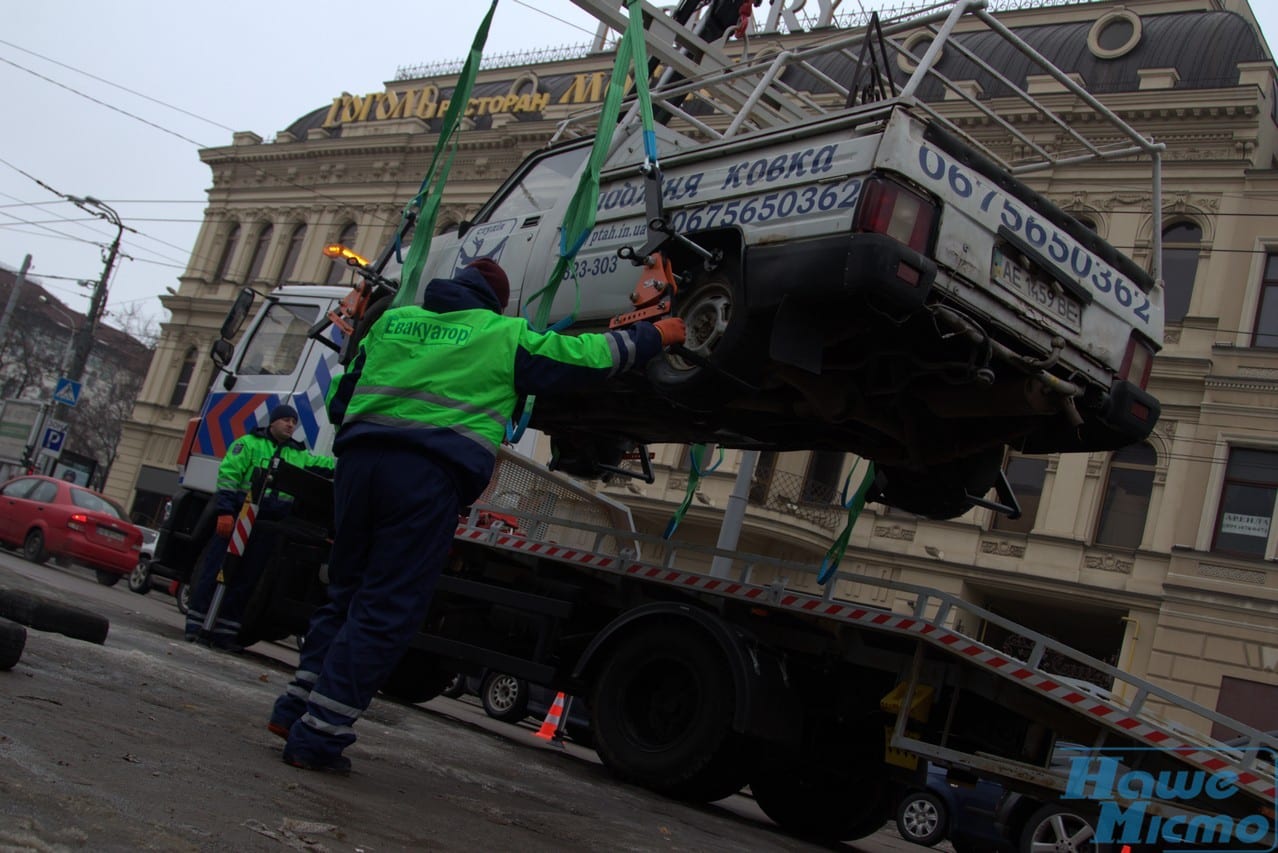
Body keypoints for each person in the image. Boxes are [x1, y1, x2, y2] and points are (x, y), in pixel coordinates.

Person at [268, 258, 685, 774]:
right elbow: (585, 356)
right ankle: (318, 737)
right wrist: (655, 335)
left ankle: (293, 710)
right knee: (385, 609)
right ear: (495, 300)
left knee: (346, 594)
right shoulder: (501, 333)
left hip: (357, 468)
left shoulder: (394, 323)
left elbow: (339, 403)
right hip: (425, 478)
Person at [184, 403, 335, 650]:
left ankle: (224, 634)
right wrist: (224, 512)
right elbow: (229, 476)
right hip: (239, 516)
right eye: (286, 420)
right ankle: (196, 626)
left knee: (247, 579)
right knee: (216, 571)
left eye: (293, 422)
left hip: (267, 524)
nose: (290, 425)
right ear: (273, 422)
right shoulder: (249, 444)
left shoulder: (297, 453)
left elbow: (324, 464)